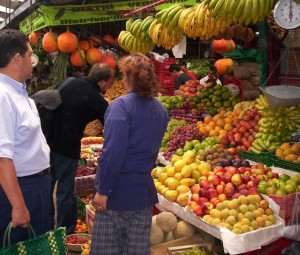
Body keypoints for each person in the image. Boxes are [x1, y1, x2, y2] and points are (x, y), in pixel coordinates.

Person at [91, 53, 169, 255]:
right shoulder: (160, 109)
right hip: (142, 193)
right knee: (136, 249)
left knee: (108, 249)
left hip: (117, 193)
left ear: (127, 76)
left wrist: (103, 190)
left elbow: (113, 154)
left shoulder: (121, 106)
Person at [0, 29, 51, 246]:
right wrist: (19, 206)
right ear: (17, 58)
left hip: (36, 185)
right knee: (25, 247)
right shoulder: (3, 96)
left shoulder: (19, 93)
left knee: (38, 245)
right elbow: (2, 157)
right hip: (21, 189)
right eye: (30, 55)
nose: (33, 61)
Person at [50, 63, 115, 235]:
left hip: (47, 144)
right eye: (109, 83)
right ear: (102, 82)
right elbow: (112, 128)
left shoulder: (69, 82)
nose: (109, 87)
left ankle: (46, 228)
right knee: (64, 191)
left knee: (47, 189)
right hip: (67, 148)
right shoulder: (97, 100)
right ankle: (65, 231)